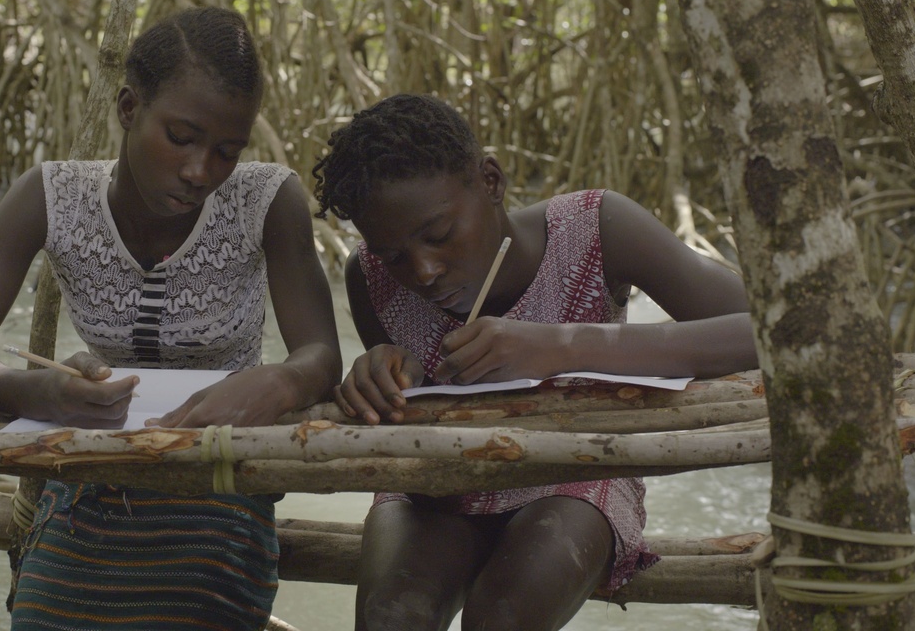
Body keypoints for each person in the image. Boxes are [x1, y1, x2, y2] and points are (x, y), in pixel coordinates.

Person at [0, 6, 342, 631]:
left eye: (226, 151)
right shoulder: (51, 198)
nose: (200, 171)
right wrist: (39, 393)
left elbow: (321, 355)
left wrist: (278, 382)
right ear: (129, 108)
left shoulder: (266, 200)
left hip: (221, 477)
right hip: (93, 475)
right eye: (181, 137)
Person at [311, 94, 758, 631]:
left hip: (578, 475)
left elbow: (768, 331)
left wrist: (562, 346)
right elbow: (411, 415)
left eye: (439, 235)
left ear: (491, 181)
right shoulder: (370, 278)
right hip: (436, 484)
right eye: (393, 255)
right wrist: (381, 374)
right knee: (391, 618)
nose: (423, 270)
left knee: (504, 619)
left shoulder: (595, 228)